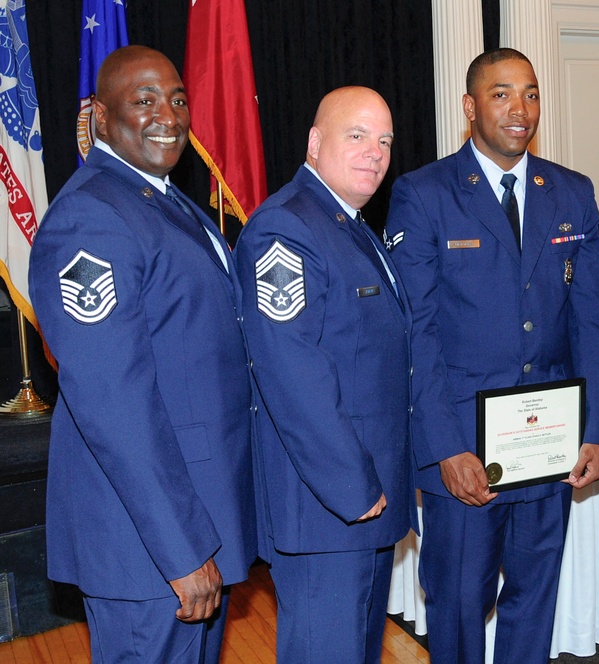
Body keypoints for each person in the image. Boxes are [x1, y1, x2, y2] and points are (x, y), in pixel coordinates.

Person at [383, 48, 599, 663]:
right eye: (502, 93)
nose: (521, 109)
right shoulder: (423, 193)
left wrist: (593, 430)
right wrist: (442, 447)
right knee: (458, 605)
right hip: (463, 451)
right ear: (470, 105)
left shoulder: (571, 191)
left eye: (532, 94)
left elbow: (594, 320)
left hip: (550, 445)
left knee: (533, 604)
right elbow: (416, 333)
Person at [28, 46, 255, 662]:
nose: (169, 115)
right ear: (101, 118)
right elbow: (115, 404)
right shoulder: (92, 219)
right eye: (145, 100)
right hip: (150, 545)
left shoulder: (164, 199)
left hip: (193, 516)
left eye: (178, 99)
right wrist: (182, 548)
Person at [234, 86, 416, 664]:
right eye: (357, 135)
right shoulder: (286, 230)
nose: (374, 153)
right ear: (315, 143)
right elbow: (292, 375)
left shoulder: (350, 224)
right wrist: (353, 488)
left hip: (364, 499)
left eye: (384, 140)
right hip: (328, 507)